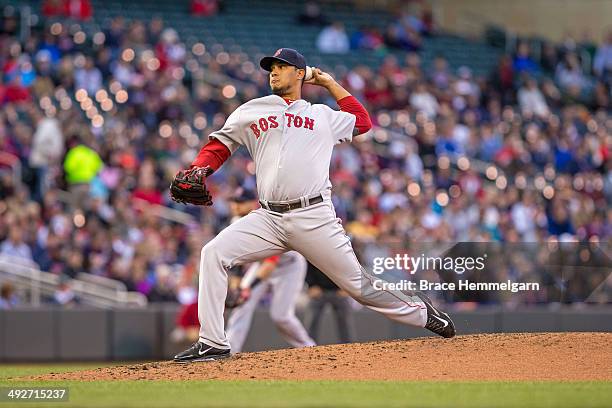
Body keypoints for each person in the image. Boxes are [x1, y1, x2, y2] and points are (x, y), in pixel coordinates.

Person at [170, 47, 456, 363]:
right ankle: (213, 342)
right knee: (213, 253)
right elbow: (218, 145)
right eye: (271, 68)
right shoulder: (252, 110)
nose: (274, 72)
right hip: (267, 217)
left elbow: (362, 122)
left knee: (360, 288)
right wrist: (200, 169)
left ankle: (420, 313)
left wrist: (329, 83)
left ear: (299, 74)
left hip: (313, 216)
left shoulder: (322, 115)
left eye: (282, 66)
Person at [306, 262, 354, 344]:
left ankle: (348, 347)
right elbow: (307, 264)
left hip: (340, 289)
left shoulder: (344, 249)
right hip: (318, 290)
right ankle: (307, 346)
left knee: (344, 322)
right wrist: (311, 285)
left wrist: (347, 286)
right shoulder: (315, 249)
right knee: (311, 321)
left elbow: (351, 265)